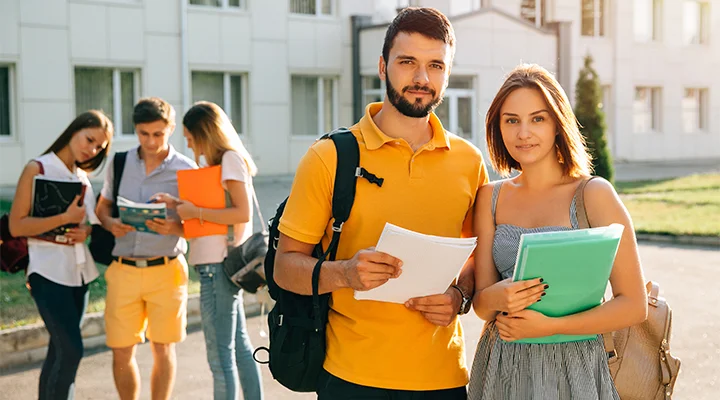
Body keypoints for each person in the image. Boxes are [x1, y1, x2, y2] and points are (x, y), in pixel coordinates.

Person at [274, 7, 489, 399]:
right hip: (351, 378)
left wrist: (459, 297)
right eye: (407, 62)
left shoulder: (470, 162)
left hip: (444, 378)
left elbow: (475, 260)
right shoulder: (329, 157)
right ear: (382, 66)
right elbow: (285, 267)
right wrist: (344, 274)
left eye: (435, 65)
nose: (422, 78)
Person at [468, 64, 648, 399]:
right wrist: (498, 296)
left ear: (557, 124)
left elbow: (635, 305)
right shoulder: (489, 198)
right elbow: (481, 304)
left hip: (576, 366)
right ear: (498, 127)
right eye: (512, 120)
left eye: (537, 118)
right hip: (503, 363)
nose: (524, 133)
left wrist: (551, 327)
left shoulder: (594, 194)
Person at [152, 101, 264, 400]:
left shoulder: (229, 160)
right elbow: (218, 216)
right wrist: (179, 209)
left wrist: (195, 211)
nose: (188, 145)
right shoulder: (223, 164)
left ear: (205, 133)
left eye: (190, 137)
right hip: (218, 265)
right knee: (238, 350)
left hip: (218, 267)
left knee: (219, 358)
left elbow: (240, 213)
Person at [96, 97, 197, 400]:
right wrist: (111, 223)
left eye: (158, 134)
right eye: (143, 134)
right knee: (121, 350)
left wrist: (175, 228)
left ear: (171, 129)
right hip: (123, 269)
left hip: (166, 270)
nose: (150, 141)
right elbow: (102, 209)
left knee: (163, 347)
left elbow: (201, 226)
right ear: (135, 130)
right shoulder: (120, 162)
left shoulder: (186, 169)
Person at [9, 110, 114, 399]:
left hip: (79, 275)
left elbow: (87, 223)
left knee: (60, 353)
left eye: (98, 147)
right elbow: (17, 225)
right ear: (73, 131)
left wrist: (86, 232)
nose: (91, 149)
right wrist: (63, 217)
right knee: (72, 350)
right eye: (89, 139)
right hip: (46, 271)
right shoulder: (37, 168)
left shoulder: (82, 177)